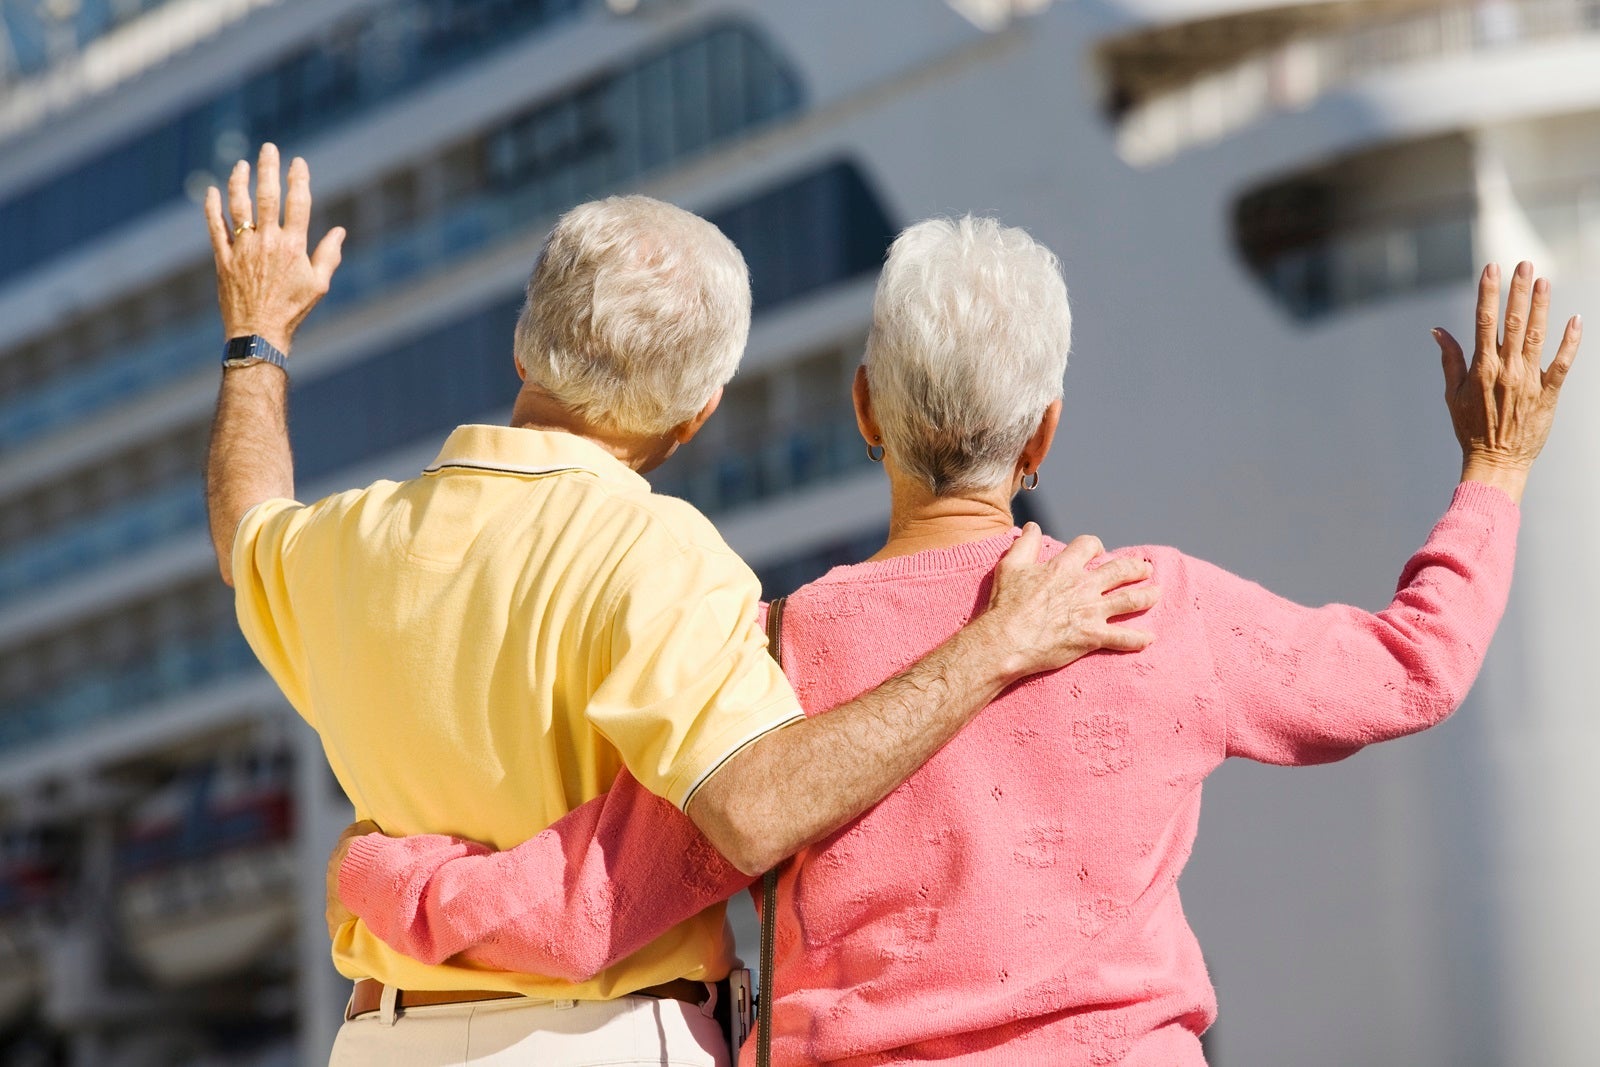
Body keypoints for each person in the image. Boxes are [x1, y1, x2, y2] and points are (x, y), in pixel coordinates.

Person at [329, 218, 1580, 1065]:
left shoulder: (774, 648)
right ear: (1042, 439)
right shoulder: (1154, 607)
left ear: (865, 409)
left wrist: (386, 876)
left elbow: (593, 902)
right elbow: (1417, 666)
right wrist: (1496, 471)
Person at [204, 148, 1161, 1066]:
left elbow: (246, 523)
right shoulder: (659, 553)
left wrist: (259, 339)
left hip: (382, 1042)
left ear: (520, 348)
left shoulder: (349, 537)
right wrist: (998, 645)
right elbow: (756, 807)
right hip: (604, 1039)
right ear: (698, 410)